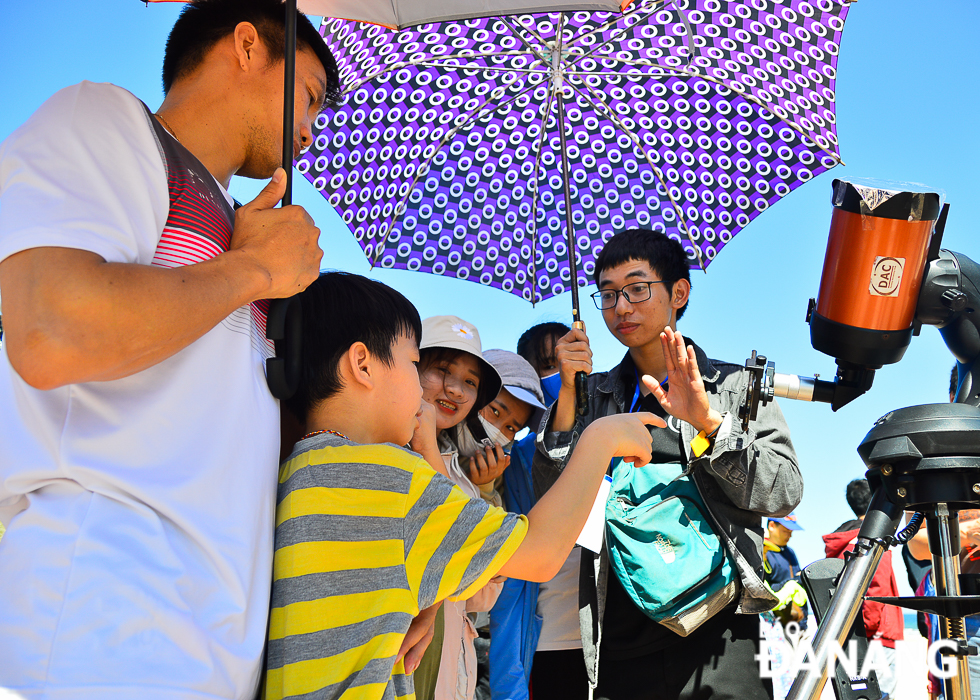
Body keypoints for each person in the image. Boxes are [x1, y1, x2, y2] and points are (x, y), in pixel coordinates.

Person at [0, 1, 337, 698]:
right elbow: (51, 331)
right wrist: (253, 273)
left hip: (213, 637)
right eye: (307, 97)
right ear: (247, 46)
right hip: (105, 612)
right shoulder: (106, 122)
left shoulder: (237, 226)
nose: (311, 129)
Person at [263, 271, 664, 700]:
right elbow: (540, 553)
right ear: (363, 364)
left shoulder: (297, 466)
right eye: (415, 364)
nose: (424, 387)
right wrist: (599, 439)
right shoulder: (393, 479)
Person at [533, 228, 803, 700]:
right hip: (618, 618)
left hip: (721, 626)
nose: (621, 307)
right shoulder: (592, 393)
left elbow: (784, 491)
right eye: (609, 294)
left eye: (638, 289)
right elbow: (552, 496)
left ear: (679, 292)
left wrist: (710, 424)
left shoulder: (734, 385)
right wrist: (570, 394)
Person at [823, 479, 903, 697]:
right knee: (881, 693)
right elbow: (876, 590)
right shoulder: (875, 540)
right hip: (876, 636)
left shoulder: (842, 541)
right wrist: (865, 628)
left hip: (847, 634)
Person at [764, 513, 808, 630]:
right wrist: (794, 582)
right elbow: (764, 589)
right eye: (786, 531)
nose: (790, 535)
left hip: (800, 622)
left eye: (791, 531)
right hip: (776, 625)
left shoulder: (790, 552)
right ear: (772, 526)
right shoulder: (764, 552)